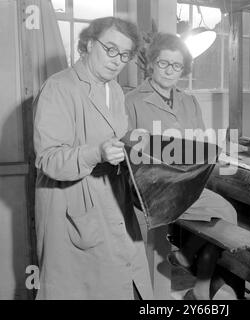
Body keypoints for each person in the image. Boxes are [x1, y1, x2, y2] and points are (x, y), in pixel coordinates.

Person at [33, 17, 153, 299]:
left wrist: (133, 147)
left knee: (126, 284)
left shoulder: (115, 91)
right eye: (110, 49)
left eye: (124, 55)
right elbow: (48, 160)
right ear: (88, 44)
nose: (117, 60)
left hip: (114, 202)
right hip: (76, 209)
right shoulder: (59, 87)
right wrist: (96, 152)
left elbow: (115, 139)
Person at [125, 32, 238, 300]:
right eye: (163, 63)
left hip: (184, 186)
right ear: (152, 64)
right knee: (144, 256)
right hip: (148, 191)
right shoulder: (132, 101)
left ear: (183, 70)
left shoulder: (189, 100)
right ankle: (158, 292)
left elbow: (197, 144)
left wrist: (210, 154)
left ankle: (194, 273)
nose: (169, 71)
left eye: (176, 66)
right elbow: (129, 152)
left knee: (226, 214)